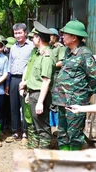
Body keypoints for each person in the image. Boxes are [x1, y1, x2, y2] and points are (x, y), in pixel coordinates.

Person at [52, 20, 96, 151]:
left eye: (65, 34)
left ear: (74, 37)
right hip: (62, 100)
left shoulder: (85, 55)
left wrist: (82, 96)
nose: (63, 36)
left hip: (76, 102)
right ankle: (64, 161)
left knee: (75, 135)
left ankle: (73, 164)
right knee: (62, 134)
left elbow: (93, 79)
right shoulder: (67, 52)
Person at [20, 21, 55, 149]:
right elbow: (34, 78)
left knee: (43, 128)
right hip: (34, 93)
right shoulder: (38, 54)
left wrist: (40, 101)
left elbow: (46, 81)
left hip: (40, 94)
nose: (32, 38)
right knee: (35, 125)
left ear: (38, 39)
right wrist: (29, 92)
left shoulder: (46, 57)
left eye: (34, 36)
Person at [6, 23, 34, 142]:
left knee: (25, 106)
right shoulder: (13, 47)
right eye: (15, 33)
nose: (17, 35)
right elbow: (10, 65)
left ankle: (26, 132)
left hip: (26, 79)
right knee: (14, 106)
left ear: (25, 33)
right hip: (13, 79)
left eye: (20, 33)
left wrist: (28, 81)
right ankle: (16, 130)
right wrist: (8, 83)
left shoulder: (32, 46)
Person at [48, 28, 66, 132]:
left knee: (55, 101)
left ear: (55, 37)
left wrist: (49, 65)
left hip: (56, 76)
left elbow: (61, 62)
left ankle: (56, 128)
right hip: (47, 76)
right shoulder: (47, 47)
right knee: (48, 101)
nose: (49, 37)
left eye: (51, 35)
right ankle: (51, 126)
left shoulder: (60, 47)